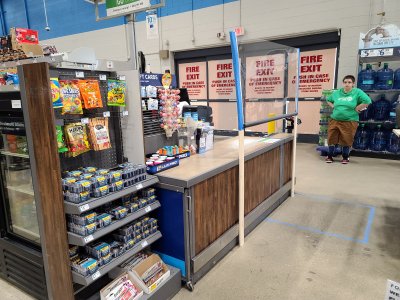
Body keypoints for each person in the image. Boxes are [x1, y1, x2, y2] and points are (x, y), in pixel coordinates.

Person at [325, 75, 372, 164]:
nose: (347, 84)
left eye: (349, 82)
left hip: (350, 120)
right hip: (335, 119)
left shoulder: (357, 92)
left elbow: (367, 101)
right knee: (331, 138)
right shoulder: (337, 93)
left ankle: (345, 157)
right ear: (343, 83)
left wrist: (358, 108)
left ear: (353, 84)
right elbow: (328, 99)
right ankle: (330, 156)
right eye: (345, 82)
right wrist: (333, 106)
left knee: (347, 139)